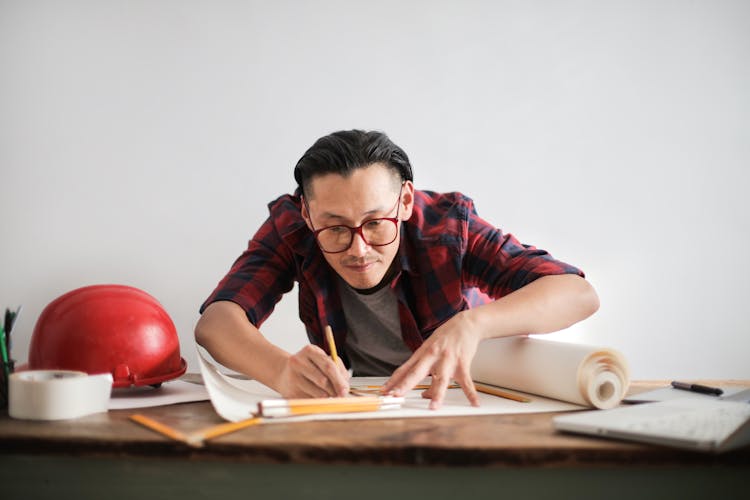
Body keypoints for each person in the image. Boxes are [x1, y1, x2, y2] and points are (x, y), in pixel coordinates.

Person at [195, 130, 599, 409]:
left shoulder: (446, 228)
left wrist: (472, 325)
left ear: (405, 201)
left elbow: (577, 293)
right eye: (335, 227)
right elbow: (217, 322)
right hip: (360, 404)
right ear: (307, 212)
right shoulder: (293, 228)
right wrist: (281, 370)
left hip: (454, 400)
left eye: (375, 223)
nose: (359, 249)